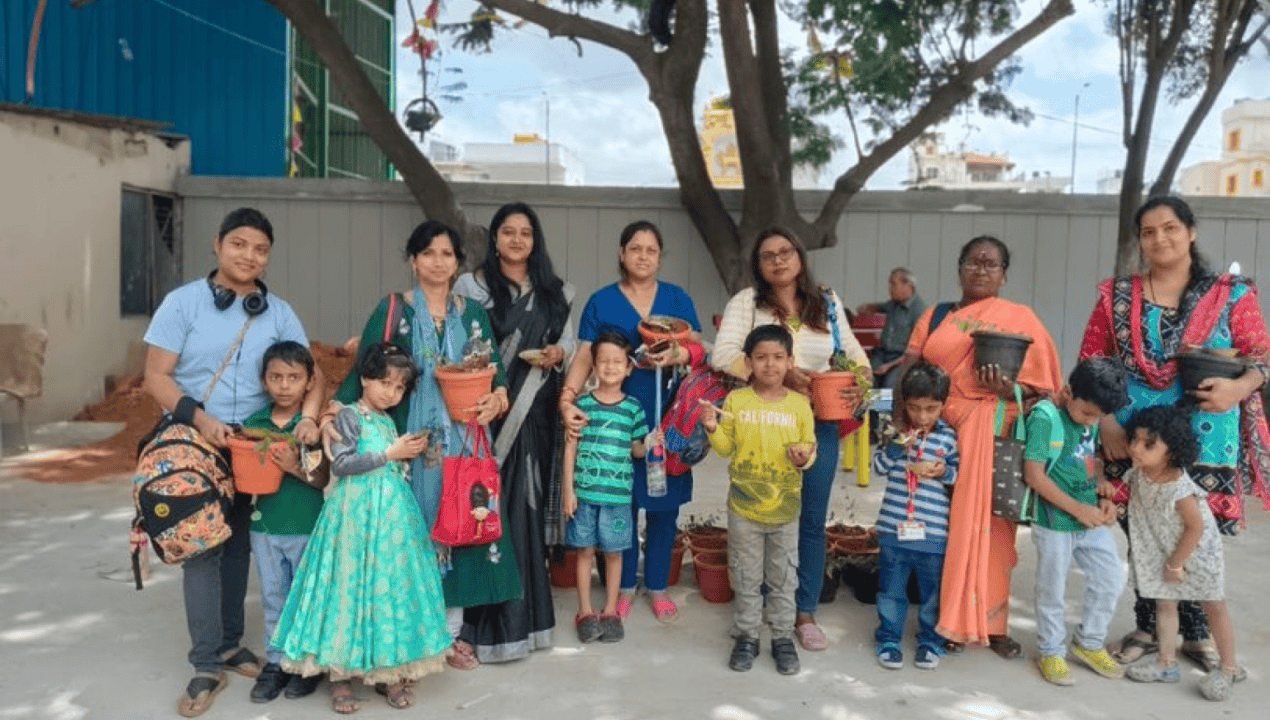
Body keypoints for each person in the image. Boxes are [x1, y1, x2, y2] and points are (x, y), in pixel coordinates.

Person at [141, 207, 325, 717]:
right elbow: (156, 376)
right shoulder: (183, 304)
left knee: (241, 541)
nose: (249, 256)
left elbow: (315, 376)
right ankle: (205, 664)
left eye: (261, 249)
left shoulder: (280, 313)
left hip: (254, 446)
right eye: (239, 244)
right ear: (218, 244)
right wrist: (200, 420)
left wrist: (307, 419)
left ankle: (228, 642)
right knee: (202, 548)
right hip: (196, 440)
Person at [1078, 195, 1270, 669]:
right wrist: (1105, 423)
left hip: (1205, 431)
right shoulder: (1116, 296)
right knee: (1141, 530)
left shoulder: (1232, 294)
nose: (1159, 238)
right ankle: (1148, 622)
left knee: (1195, 532)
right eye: (1148, 232)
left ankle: (1197, 630)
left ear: (1191, 232)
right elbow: (1090, 362)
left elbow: (1261, 356)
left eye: (1169, 228)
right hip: (1132, 435)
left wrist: (1237, 388)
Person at [323, 220, 512, 672]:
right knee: (408, 539)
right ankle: (411, 637)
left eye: (447, 254)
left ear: (457, 263)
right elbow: (363, 369)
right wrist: (332, 411)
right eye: (428, 253)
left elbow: (496, 372)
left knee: (461, 532)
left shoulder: (472, 313)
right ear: (413, 260)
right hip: (405, 445)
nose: (438, 262)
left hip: (464, 444)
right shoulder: (393, 310)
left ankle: (448, 636)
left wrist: (498, 398)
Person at [902, 234, 1062, 659]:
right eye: (973, 262)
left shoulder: (1020, 319)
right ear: (959, 268)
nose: (981, 269)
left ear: (1004, 275)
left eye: (991, 264)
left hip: (997, 435)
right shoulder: (936, 317)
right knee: (944, 527)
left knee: (995, 532)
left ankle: (992, 624)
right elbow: (910, 372)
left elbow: (1045, 392)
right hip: (938, 433)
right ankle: (948, 619)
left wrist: (1010, 390)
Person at [712, 227, 868, 651]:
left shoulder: (827, 302)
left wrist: (859, 384)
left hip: (816, 423)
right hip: (760, 422)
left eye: (786, 252)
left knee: (811, 520)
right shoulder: (746, 303)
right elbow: (722, 354)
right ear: (758, 265)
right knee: (760, 512)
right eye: (768, 255)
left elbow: (857, 359)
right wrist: (778, 374)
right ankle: (757, 608)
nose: (778, 260)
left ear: (800, 256)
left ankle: (804, 612)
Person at [273, 343, 449, 713]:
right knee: (346, 589)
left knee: (385, 589)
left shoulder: (387, 420)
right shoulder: (348, 416)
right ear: (365, 379)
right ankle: (340, 678)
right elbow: (342, 465)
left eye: (399, 388)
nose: (391, 392)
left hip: (390, 520)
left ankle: (385, 673)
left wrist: (402, 454)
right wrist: (389, 455)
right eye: (384, 382)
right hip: (353, 516)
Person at [560, 220, 700, 623]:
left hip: (665, 421)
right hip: (612, 422)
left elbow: (698, 351)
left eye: (651, 250)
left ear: (659, 256)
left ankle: (656, 585)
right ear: (622, 254)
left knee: (663, 507)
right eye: (634, 248)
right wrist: (567, 399)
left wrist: (680, 356)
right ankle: (620, 590)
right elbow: (585, 356)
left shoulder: (676, 299)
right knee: (615, 506)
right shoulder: (602, 301)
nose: (642, 256)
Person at [452, 202, 574, 662]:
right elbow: (461, 343)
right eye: (508, 232)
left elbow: (572, 340)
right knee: (481, 512)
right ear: (495, 239)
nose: (517, 240)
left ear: (535, 240)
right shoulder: (472, 286)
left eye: (526, 232)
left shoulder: (553, 291)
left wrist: (559, 353)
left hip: (532, 414)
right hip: (482, 413)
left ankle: (526, 624)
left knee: (522, 512)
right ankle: (473, 625)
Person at [702, 324, 817, 675]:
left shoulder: (800, 405)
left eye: (778, 357)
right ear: (748, 362)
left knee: (783, 576)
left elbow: (810, 449)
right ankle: (748, 636)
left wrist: (803, 457)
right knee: (746, 574)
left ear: (790, 361)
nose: (770, 365)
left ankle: (782, 637)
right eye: (762, 358)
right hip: (744, 508)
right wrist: (711, 428)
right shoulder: (736, 401)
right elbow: (725, 450)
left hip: (785, 509)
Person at [1122, 406, 1245, 702]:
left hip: (1197, 552)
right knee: (1166, 603)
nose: (1136, 449)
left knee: (1213, 605)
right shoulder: (1141, 473)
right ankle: (1166, 663)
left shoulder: (1180, 488)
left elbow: (1195, 528)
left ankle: (1227, 668)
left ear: (1172, 451)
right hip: (1165, 547)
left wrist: (1176, 563)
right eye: (1134, 440)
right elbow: (1128, 495)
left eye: (1149, 444)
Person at [1022, 358, 1128, 687]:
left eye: (1097, 417)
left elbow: (1089, 458)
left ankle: (1088, 643)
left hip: (1088, 515)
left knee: (1110, 577)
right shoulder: (1045, 417)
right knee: (1052, 587)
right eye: (1086, 414)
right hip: (1054, 520)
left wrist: (1102, 491)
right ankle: (1051, 650)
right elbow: (1034, 475)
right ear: (1068, 393)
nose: (1090, 421)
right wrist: (1078, 510)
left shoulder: (1091, 417)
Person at [245, 342, 329, 704]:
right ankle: (277, 662)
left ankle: (307, 662)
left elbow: (322, 479)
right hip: (264, 528)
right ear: (264, 381)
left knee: (305, 597)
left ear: (309, 383)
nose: (284, 385)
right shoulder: (255, 425)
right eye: (276, 377)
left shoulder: (310, 428)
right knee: (274, 597)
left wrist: (294, 465)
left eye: (294, 378)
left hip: (306, 524)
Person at [562, 332, 649, 644]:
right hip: (584, 497)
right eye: (604, 361)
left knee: (614, 553)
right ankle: (585, 611)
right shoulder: (582, 405)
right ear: (594, 367)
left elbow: (637, 450)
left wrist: (651, 443)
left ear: (628, 368)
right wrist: (567, 492)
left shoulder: (634, 409)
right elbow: (570, 448)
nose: (611, 367)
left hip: (617, 499)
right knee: (584, 551)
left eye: (618, 362)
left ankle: (611, 610)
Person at [871, 362, 958, 671]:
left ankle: (930, 642)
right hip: (894, 529)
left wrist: (944, 471)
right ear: (903, 404)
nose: (922, 417)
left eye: (931, 409)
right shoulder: (893, 433)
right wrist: (894, 448)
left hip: (933, 532)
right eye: (914, 408)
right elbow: (877, 469)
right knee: (891, 590)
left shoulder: (948, 438)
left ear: (943, 405)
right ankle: (889, 639)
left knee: (932, 593)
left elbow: (959, 476)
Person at [857, 268, 926, 389]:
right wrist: (868, 307)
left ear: (908, 286)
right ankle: (871, 407)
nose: (890, 288)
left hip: (901, 359)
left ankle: (882, 408)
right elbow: (882, 307)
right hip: (882, 354)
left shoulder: (919, 311)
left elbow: (914, 352)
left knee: (889, 385)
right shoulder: (894, 304)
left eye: (893, 284)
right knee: (866, 379)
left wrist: (889, 366)